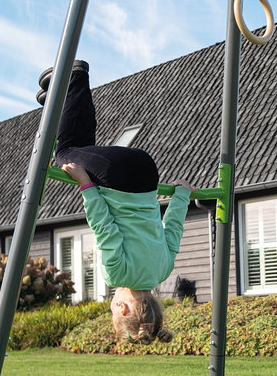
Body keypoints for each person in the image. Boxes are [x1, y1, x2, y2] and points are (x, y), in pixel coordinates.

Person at [37, 60, 194, 344]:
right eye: (112, 310)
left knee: (83, 145)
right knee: (66, 154)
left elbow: (173, 228)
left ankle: (56, 99)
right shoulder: (117, 274)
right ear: (122, 307)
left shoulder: (162, 270)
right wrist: (85, 184)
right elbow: (103, 226)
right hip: (117, 179)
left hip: (146, 172)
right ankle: (74, 77)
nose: (110, 303)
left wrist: (181, 195)